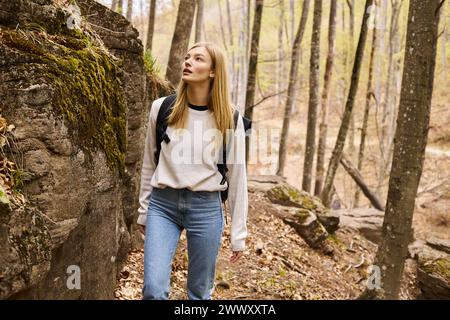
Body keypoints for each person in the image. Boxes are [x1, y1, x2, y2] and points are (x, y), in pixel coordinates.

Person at [137, 42, 248, 300]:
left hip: (206, 209)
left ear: (213, 71)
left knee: (199, 292)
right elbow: (148, 164)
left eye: (198, 59)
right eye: (187, 57)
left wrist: (238, 233)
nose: (188, 62)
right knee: (153, 290)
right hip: (163, 206)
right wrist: (144, 211)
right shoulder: (161, 108)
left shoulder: (231, 118)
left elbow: (238, 177)